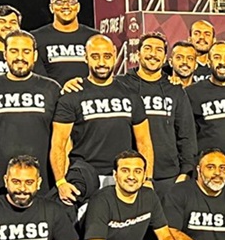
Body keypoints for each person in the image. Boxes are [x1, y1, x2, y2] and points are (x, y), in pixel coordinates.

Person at [0, 30, 61, 203]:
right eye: (14, 51)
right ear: (5, 54)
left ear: (35, 55)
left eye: (26, 51)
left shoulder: (51, 89)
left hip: (42, 183)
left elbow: (63, 140)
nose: (20, 57)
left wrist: (61, 180)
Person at [50, 34, 154, 203]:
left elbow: (144, 142)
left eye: (106, 56)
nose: (101, 63)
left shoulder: (131, 95)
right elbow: (58, 144)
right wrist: (61, 182)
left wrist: (147, 178)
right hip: (85, 177)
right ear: (86, 57)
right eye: (95, 56)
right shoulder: (72, 96)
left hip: (123, 177)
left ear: (114, 54)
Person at [120, 33, 198, 195]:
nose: (153, 54)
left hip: (168, 176)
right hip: (128, 174)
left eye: (159, 50)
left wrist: (186, 172)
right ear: (138, 54)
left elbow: (186, 134)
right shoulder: (120, 85)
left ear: (164, 58)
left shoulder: (174, 89)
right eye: (148, 48)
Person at [186, 41, 225, 191]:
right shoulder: (192, 93)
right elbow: (186, 137)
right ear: (208, 61)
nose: (222, 62)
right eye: (217, 57)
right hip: (206, 175)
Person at [32, 0, 98, 85]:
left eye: (71, 2)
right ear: (51, 8)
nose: (66, 6)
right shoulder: (36, 37)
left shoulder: (94, 37)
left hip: (89, 93)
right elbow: (37, 77)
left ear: (78, 7)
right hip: (51, 93)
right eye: (59, 2)